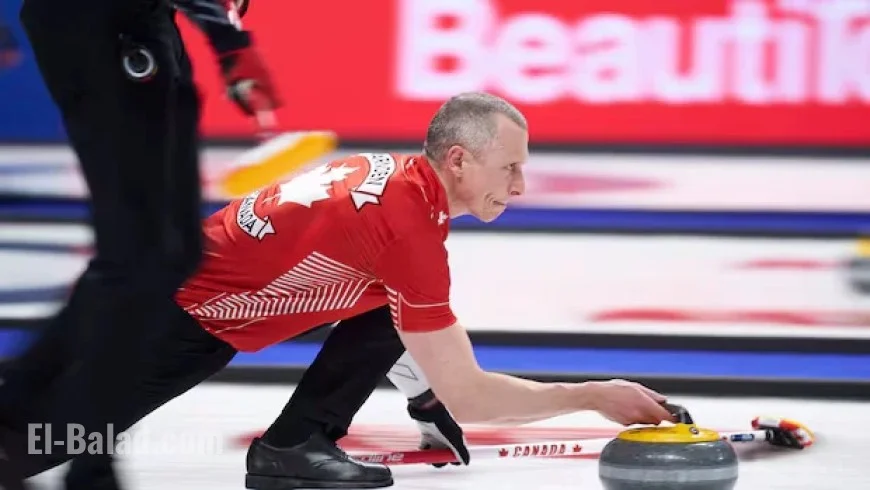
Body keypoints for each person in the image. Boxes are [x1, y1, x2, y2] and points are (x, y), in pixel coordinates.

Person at [0, 92, 674, 489]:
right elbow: (470, 392)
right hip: (176, 325)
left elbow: (391, 316)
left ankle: (297, 441)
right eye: (512, 167)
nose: (521, 187)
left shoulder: (388, 175)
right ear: (460, 160)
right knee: (35, 447)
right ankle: (291, 447)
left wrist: (423, 391)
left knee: (391, 306)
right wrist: (589, 395)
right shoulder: (410, 234)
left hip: (158, 289)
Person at [0, 0, 278, 489]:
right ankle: (89, 465)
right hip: (101, 28)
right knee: (139, 257)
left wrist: (225, 37)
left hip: (145, 24)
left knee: (173, 254)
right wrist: (230, 44)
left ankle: (19, 411)